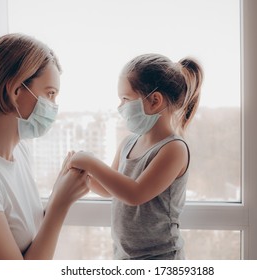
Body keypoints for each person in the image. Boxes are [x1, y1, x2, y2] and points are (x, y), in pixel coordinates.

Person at [0, 33, 89, 260]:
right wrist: (60, 205)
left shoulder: (19, 152)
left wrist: (59, 191)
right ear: (16, 91)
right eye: (50, 93)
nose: (54, 106)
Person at [69, 53, 203, 260]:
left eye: (125, 99)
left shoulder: (174, 149)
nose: (120, 107)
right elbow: (109, 189)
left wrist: (90, 161)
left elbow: (135, 194)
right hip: (125, 257)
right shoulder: (128, 143)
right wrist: (81, 175)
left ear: (154, 101)